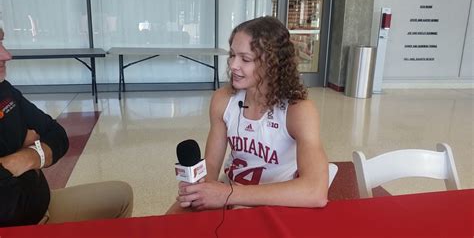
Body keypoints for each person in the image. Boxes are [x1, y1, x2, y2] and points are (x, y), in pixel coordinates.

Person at [167, 16, 328, 214]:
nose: (233, 65)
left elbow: (316, 191)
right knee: (170, 221)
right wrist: (200, 188)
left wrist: (228, 194)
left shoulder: (299, 110)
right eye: (232, 55)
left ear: (272, 63)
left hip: (278, 202)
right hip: (231, 193)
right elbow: (211, 165)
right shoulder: (222, 100)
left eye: (245, 59)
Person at [0, 26, 133, 226]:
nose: (7, 55)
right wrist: (21, 147)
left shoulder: (5, 91)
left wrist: (27, 156)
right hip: (21, 225)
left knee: (122, 195)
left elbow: (57, 134)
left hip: (45, 204)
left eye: (1, 42)